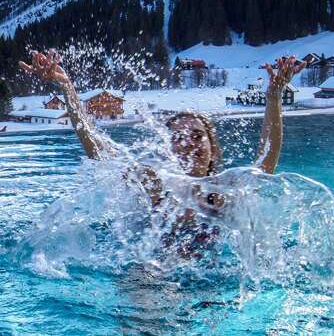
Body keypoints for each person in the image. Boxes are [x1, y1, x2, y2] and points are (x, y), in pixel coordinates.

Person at [19, 51, 306, 256]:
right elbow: (98, 149)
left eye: (196, 136)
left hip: (210, 280)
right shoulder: (154, 186)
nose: (187, 143)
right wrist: (68, 88)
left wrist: (274, 95)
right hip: (151, 275)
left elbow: (265, 161)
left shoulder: (223, 193)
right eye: (177, 137)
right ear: (166, 147)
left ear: (211, 148)